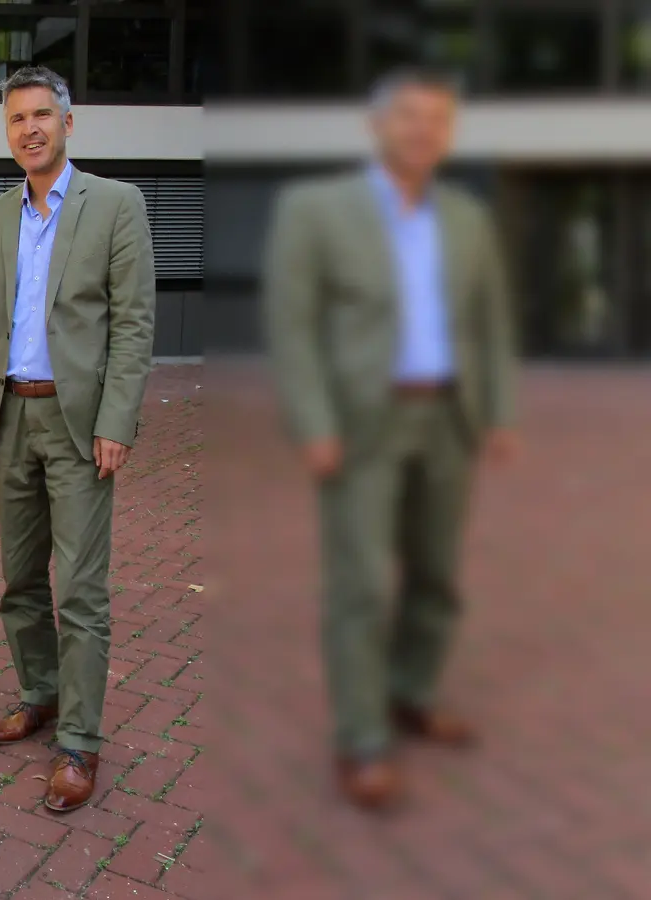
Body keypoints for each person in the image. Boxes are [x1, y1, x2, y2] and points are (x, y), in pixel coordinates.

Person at [262, 66, 520, 811]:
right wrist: (312, 423)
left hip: (448, 416)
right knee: (362, 584)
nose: (423, 131)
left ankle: (412, 691)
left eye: (437, 120)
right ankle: (361, 738)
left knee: (438, 574)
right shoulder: (316, 209)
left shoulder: (467, 217)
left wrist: (499, 411)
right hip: (361, 423)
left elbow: (490, 323)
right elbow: (293, 325)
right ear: (377, 126)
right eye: (408, 117)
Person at [0, 66, 156, 813]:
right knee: (19, 582)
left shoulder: (116, 205)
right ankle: (39, 694)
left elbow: (134, 324)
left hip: (78, 430)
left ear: (69, 124)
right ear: (6, 132)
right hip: (9, 419)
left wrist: (117, 421)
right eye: (16, 119)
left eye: (42, 115)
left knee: (80, 591)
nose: (29, 129)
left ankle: (79, 742)